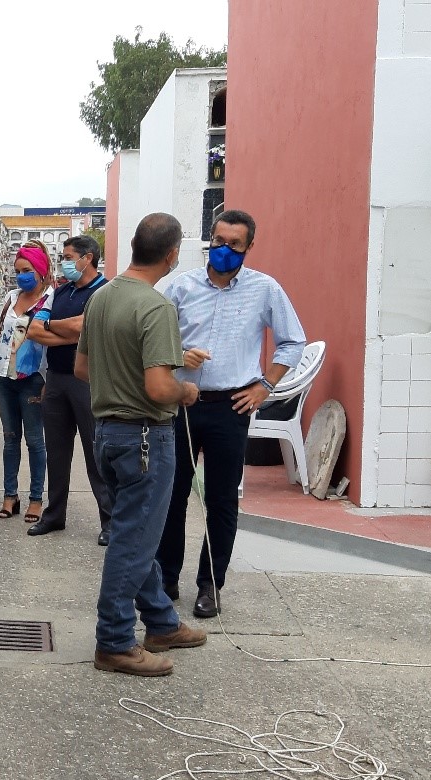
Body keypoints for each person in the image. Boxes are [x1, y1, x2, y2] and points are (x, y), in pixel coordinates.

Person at [156, 209, 306, 619]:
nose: (224, 249)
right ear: (210, 239)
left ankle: (210, 585)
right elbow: (153, 338)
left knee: (222, 501)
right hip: (182, 404)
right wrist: (179, 354)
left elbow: (293, 342)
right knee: (171, 495)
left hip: (231, 406)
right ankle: (166, 579)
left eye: (234, 244)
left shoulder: (265, 289)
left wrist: (265, 386)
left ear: (249, 246)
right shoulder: (181, 286)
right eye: (219, 241)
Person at [75, 212, 206, 677]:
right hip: (147, 436)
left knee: (135, 531)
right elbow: (159, 387)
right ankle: (114, 641)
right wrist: (186, 390)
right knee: (133, 540)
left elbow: (83, 369)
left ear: (133, 246)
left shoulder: (101, 297)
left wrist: (121, 382)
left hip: (107, 433)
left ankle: (161, 622)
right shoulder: (156, 307)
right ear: (172, 255)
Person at [25, 235, 113, 543]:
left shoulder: (104, 292)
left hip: (88, 381)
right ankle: (54, 515)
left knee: (96, 452)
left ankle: (109, 521)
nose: (63, 263)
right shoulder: (59, 292)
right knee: (57, 451)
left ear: (87, 258)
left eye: (68, 257)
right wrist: (69, 331)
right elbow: (34, 330)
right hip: (57, 379)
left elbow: (84, 327)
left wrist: (60, 327)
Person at [0, 241, 55, 522]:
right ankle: (10, 495)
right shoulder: (12, 297)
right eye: (18, 271)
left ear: (40, 270)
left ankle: (36, 498)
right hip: (5, 376)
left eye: (27, 270)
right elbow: (5, 330)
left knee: (35, 441)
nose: (21, 276)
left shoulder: (50, 299)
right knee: (10, 439)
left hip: (33, 378)